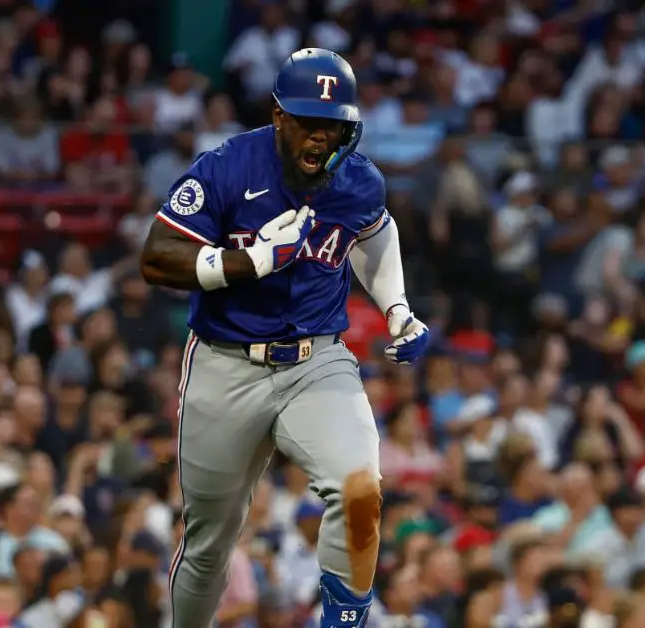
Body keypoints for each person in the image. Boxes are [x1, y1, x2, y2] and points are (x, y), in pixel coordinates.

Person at [139, 47, 430, 628]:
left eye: (335, 125)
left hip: (317, 358)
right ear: (278, 116)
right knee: (209, 544)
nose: (322, 139)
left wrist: (397, 307)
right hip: (226, 362)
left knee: (359, 492)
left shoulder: (357, 180)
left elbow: (375, 235)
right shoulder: (226, 166)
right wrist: (244, 263)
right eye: (309, 123)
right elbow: (157, 257)